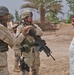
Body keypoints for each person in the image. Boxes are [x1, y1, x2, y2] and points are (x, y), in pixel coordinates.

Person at [14, 10, 43, 75]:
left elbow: (41, 33)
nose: (31, 18)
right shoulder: (20, 27)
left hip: (35, 53)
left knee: (35, 71)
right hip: (26, 54)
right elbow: (16, 41)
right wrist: (24, 32)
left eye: (31, 16)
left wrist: (33, 30)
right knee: (25, 72)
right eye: (30, 16)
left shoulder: (35, 26)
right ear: (25, 18)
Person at [0, 6, 14, 75]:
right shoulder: (1, 27)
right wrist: (23, 33)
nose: (7, 18)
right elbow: (13, 42)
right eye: (6, 15)